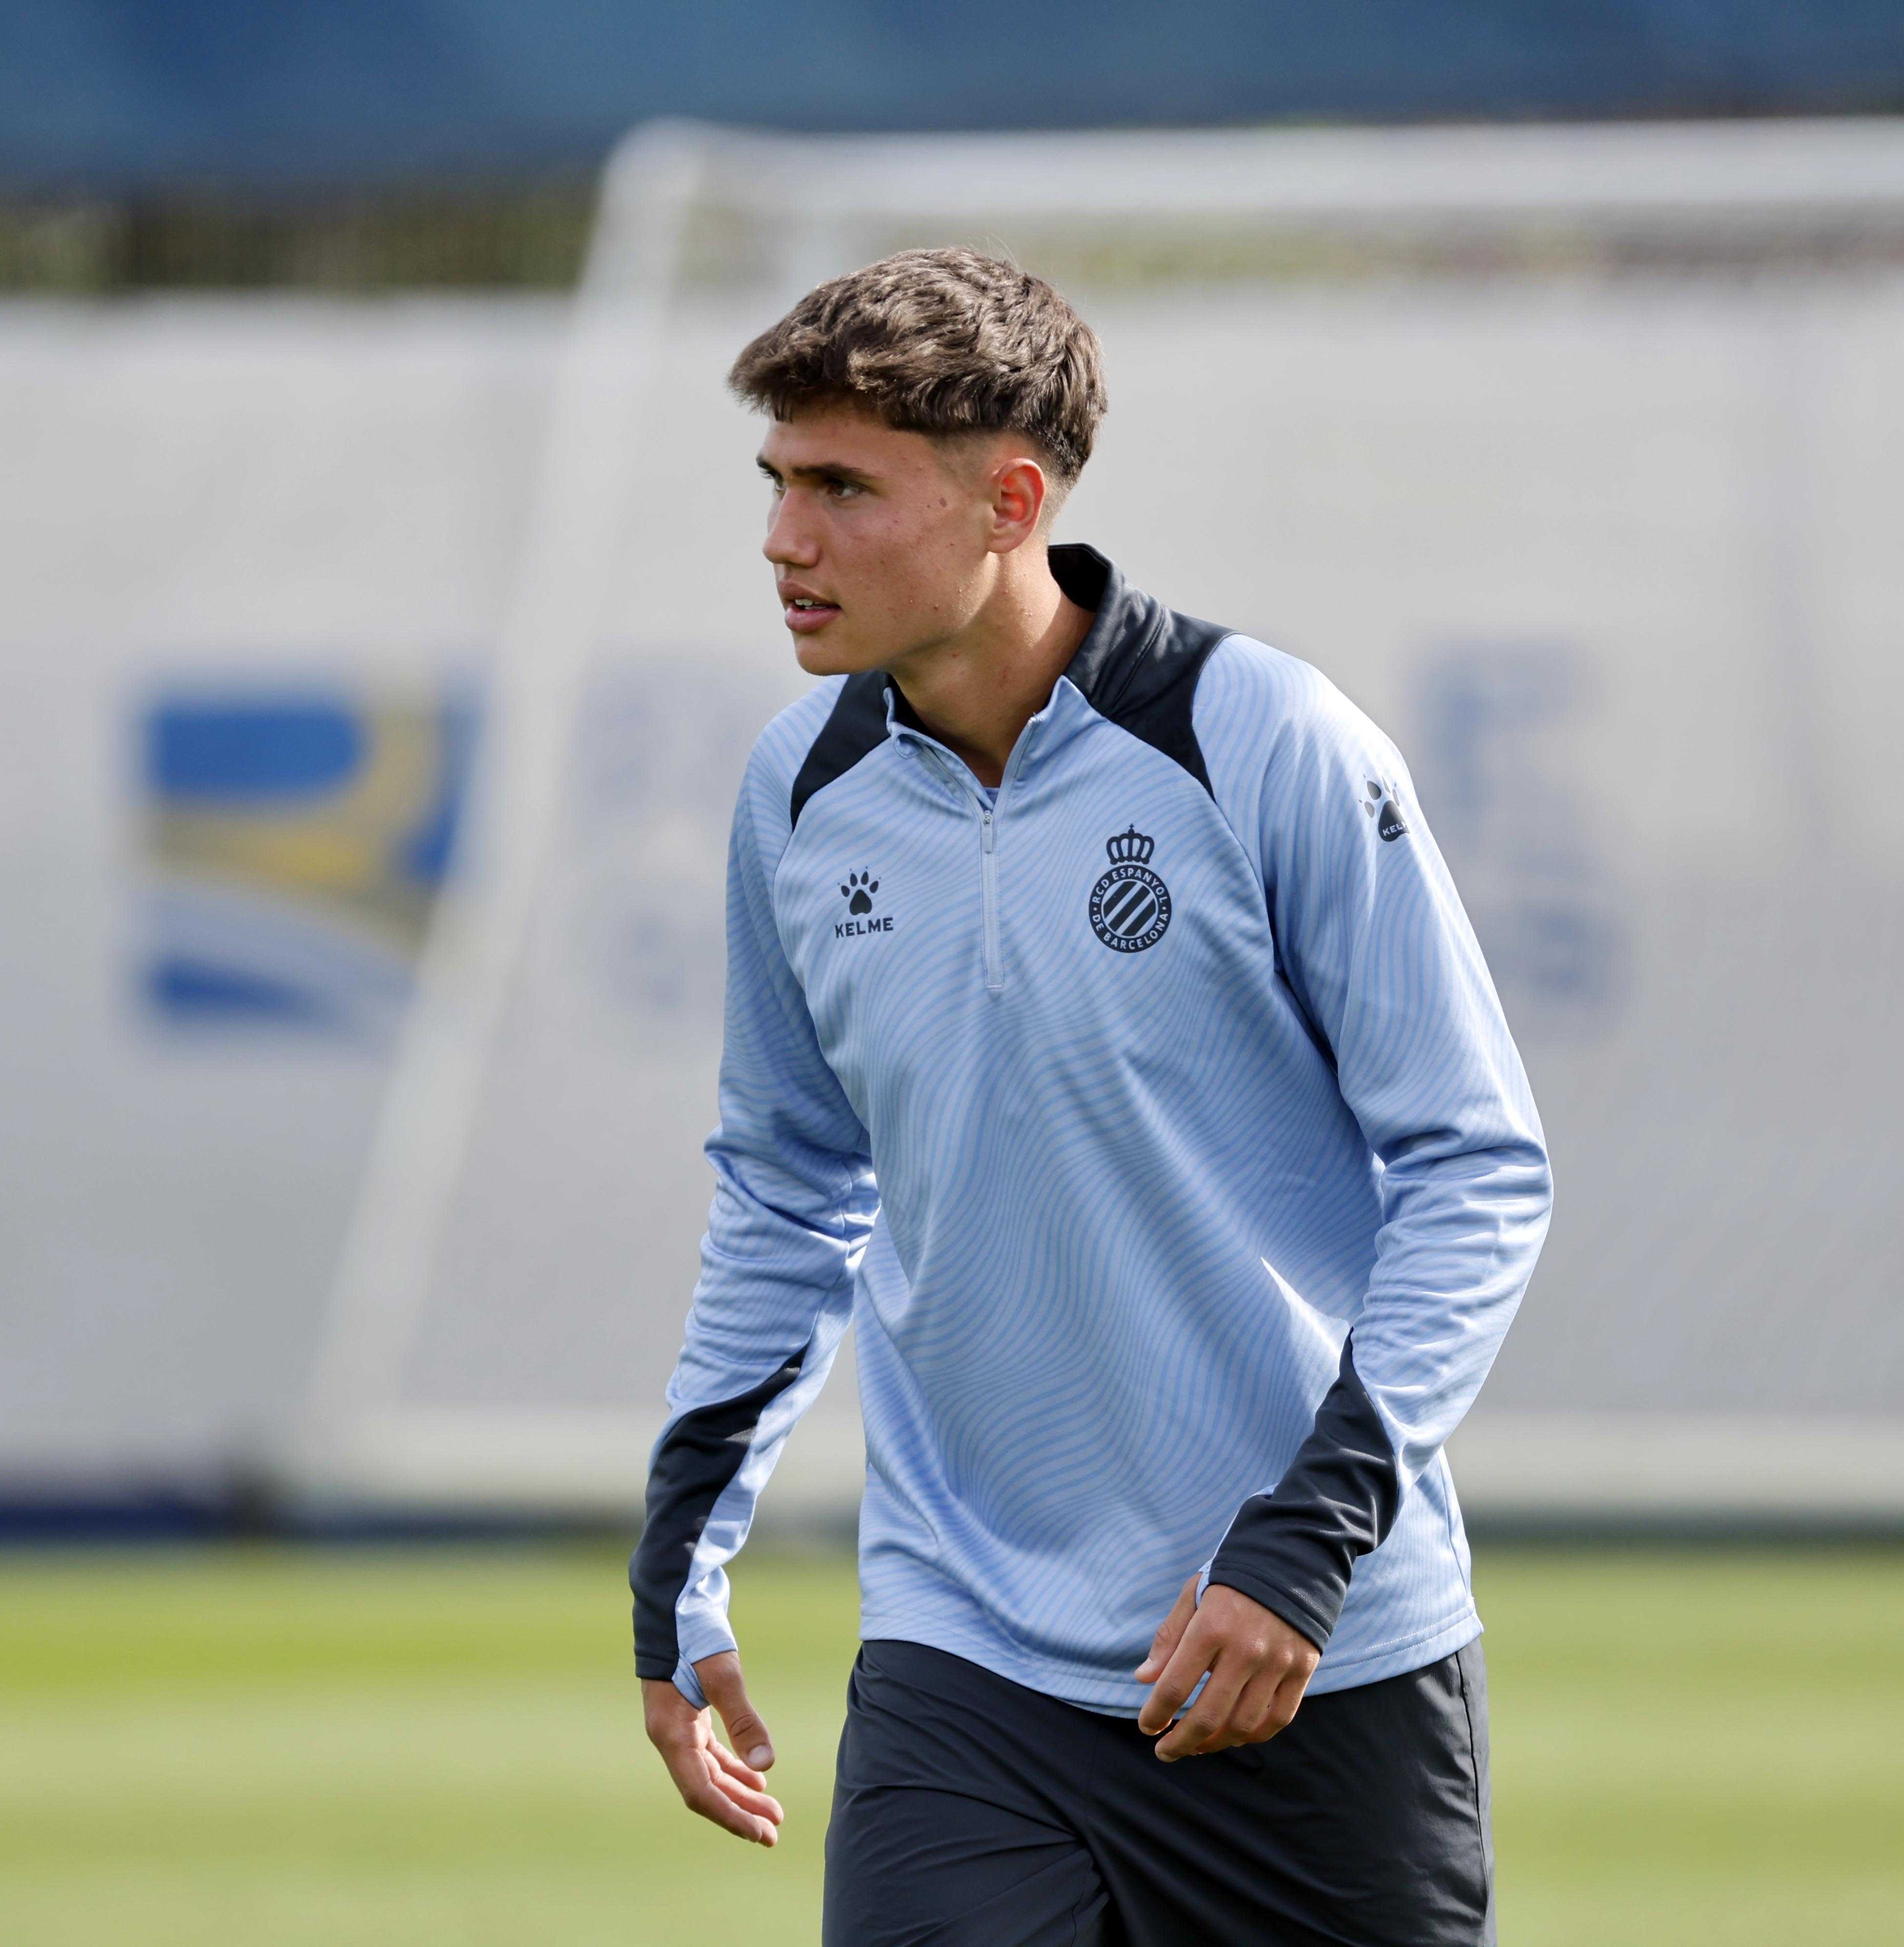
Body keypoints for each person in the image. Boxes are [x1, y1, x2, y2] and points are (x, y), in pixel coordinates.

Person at [628, 248, 1551, 1946]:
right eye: (778, 482)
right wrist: (678, 1566)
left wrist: (1307, 1542)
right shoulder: (797, 795)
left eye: (843, 489)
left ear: (1012, 502)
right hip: (962, 1659)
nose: (783, 539)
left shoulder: (1262, 738)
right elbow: (785, 1190)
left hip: (1305, 1652)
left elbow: (1476, 1166)